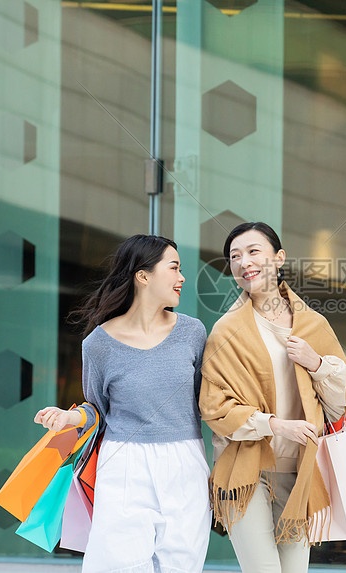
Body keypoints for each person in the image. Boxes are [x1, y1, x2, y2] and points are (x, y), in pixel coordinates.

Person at [34, 234, 211, 573]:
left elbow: (209, 402)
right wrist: (69, 419)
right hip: (124, 464)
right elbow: (97, 410)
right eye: (173, 268)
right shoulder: (98, 344)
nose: (182, 277)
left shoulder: (192, 332)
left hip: (185, 462)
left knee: (182, 566)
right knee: (119, 565)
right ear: (143, 276)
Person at [199, 222, 346, 573]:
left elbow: (338, 405)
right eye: (235, 256)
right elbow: (214, 407)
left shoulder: (314, 325)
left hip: (301, 472)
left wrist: (316, 364)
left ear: (279, 257)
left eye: (253, 251)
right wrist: (275, 425)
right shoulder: (227, 329)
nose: (243, 262)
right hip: (245, 472)